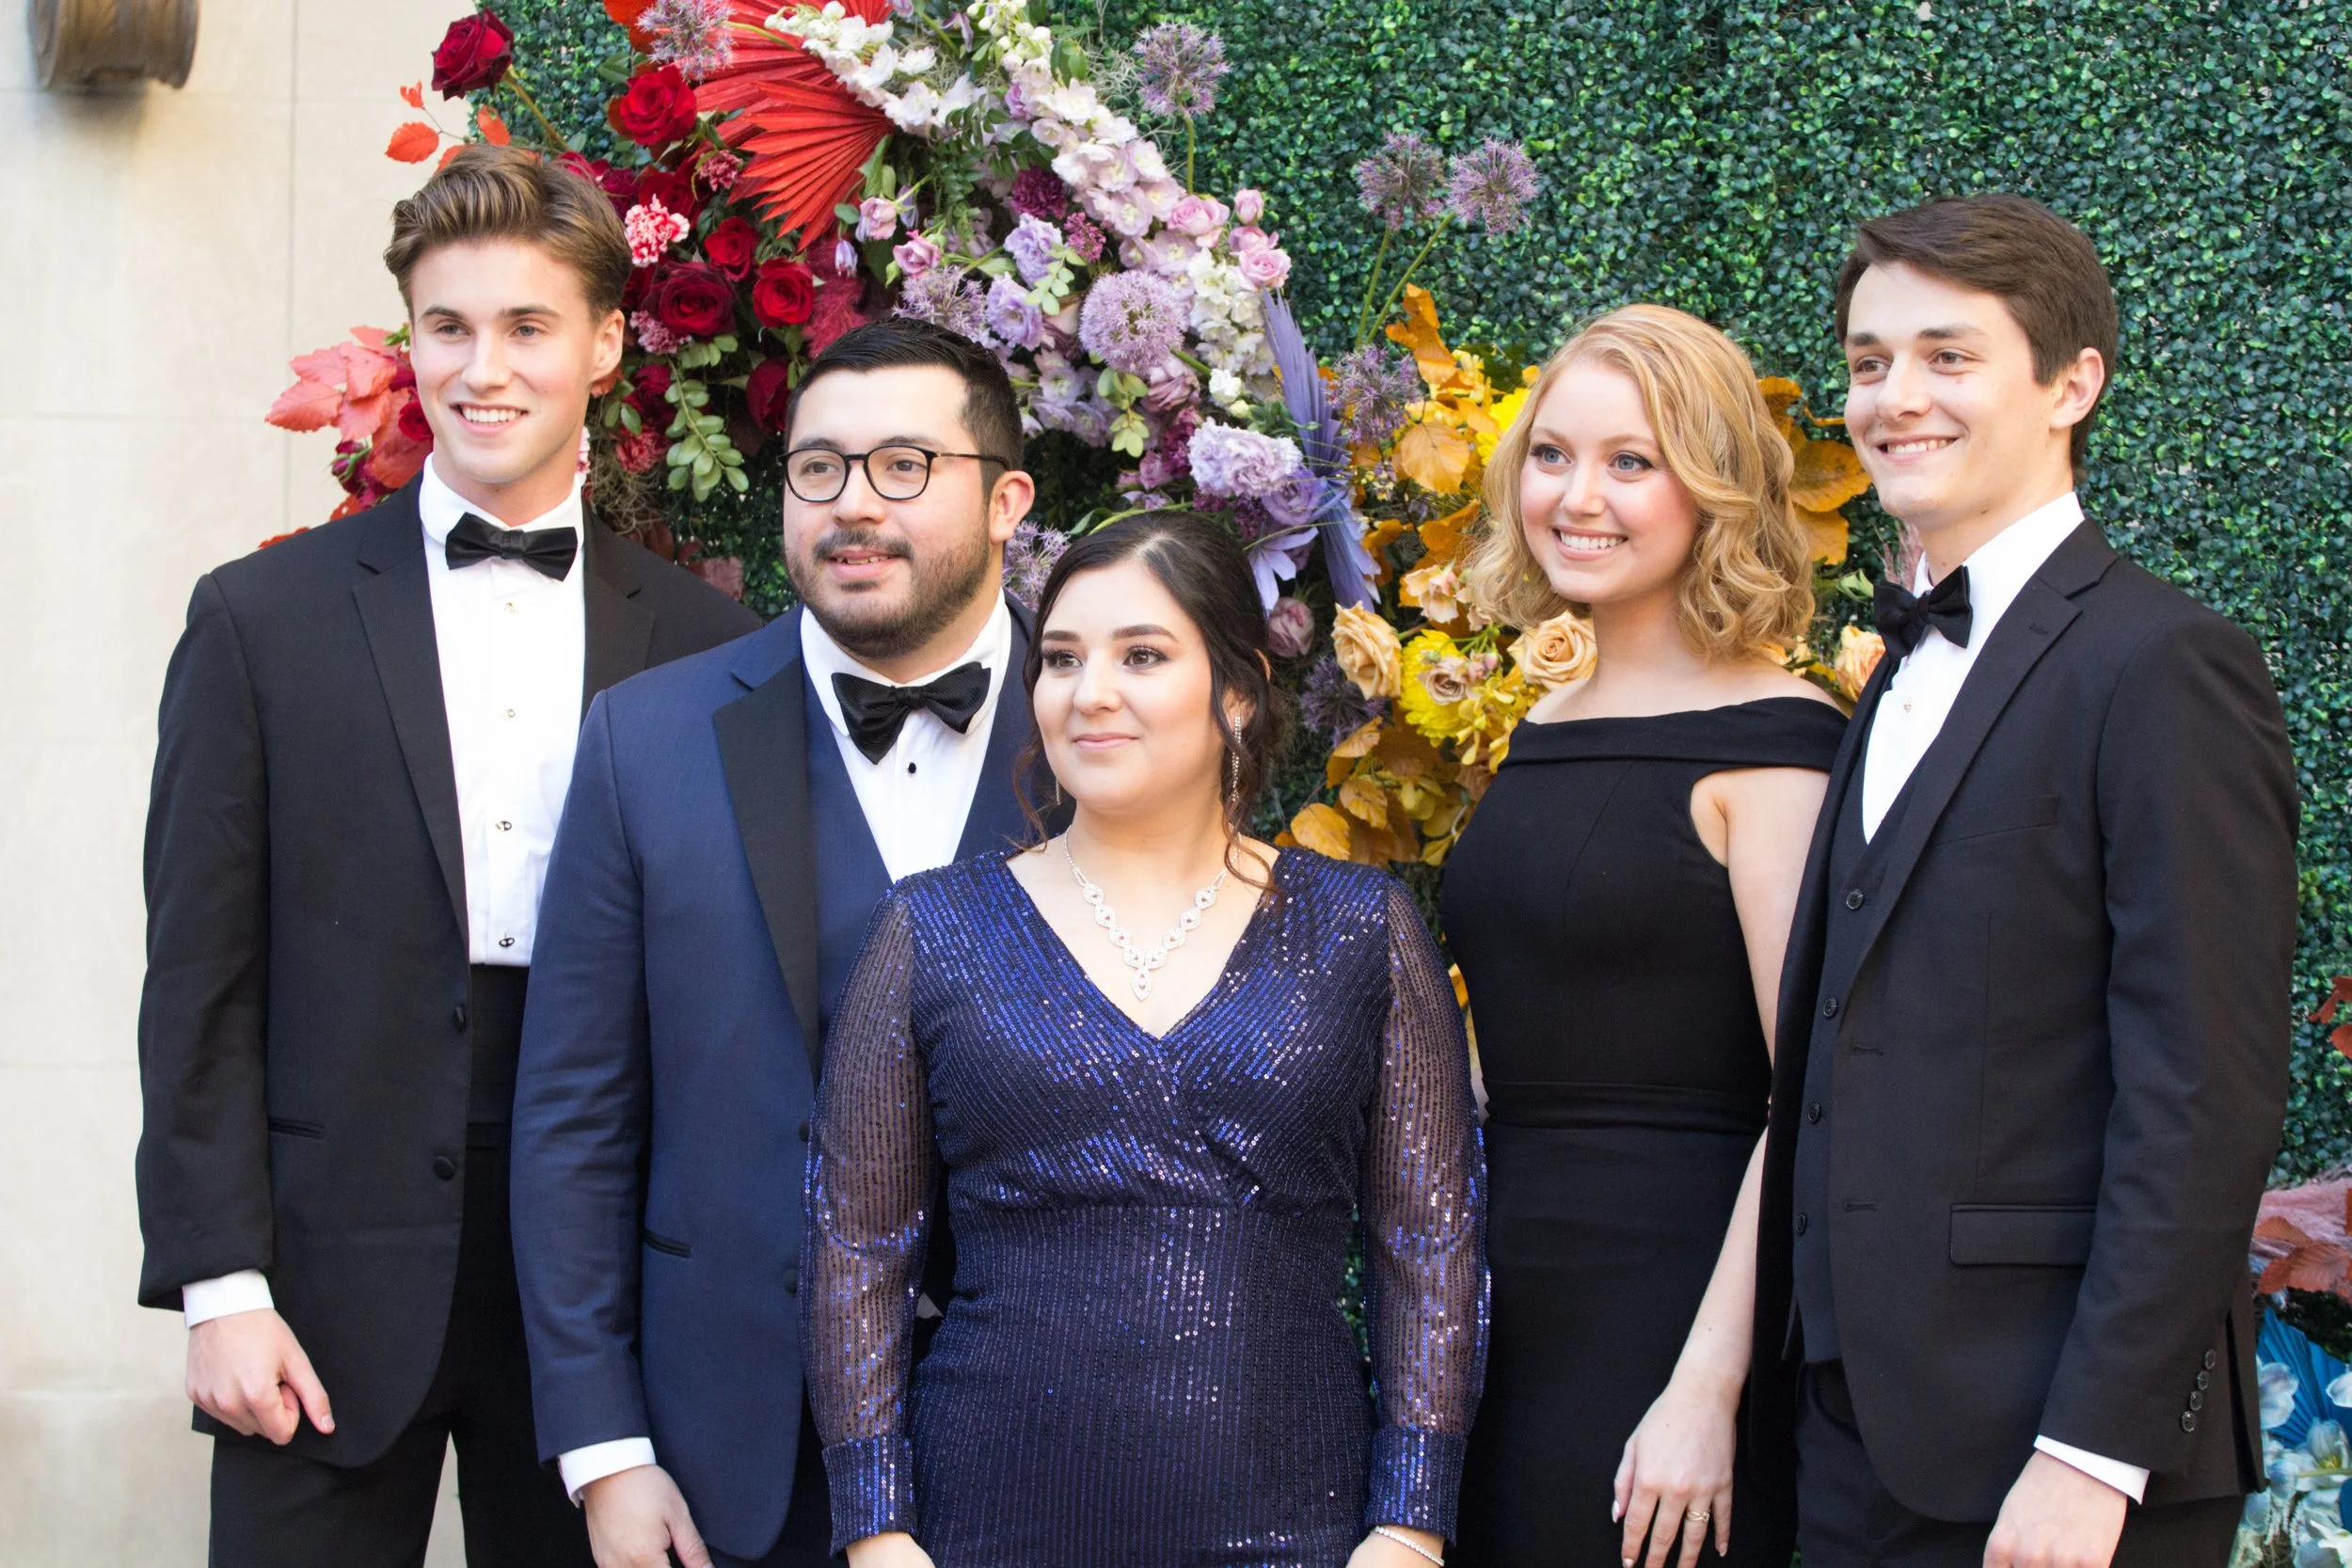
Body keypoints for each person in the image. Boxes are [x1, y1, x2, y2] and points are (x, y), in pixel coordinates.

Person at [133, 145, 758, 1567]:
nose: (483, 367)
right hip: (322, 1274)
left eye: (527, 326)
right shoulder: (258, 620)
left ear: (604, 346)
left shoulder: (718, 650)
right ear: (409, 337)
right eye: (447, 326)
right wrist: (218, 1279)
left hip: (604, 1297)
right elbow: (199, 981)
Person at [1748, 194, 2297, 1567]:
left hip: (2053, 1462)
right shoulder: (1897, 677)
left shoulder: (2165, 666)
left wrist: (2093, 1451)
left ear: (2071, 383)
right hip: (1846, 1443)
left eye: (1948, 356)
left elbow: (2204, 1089)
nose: (1892, 397)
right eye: (1870, 362)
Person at [801, 511, 1487, 1568]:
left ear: (1240, 691)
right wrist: (877, 1527)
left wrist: (1409, 1520)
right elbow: (857, 1242)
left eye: (1143, 655)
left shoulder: (1360, 926)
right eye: (1063, 658)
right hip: (982, 1520)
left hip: (1299, 1515)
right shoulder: (932, 926)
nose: (1091, 691)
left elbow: (1428, 1243)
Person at [509, 317, 1055, 1568]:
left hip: (1040, 1440)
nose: (853, 505)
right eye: (820, 468)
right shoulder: (642, 740)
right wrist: (605, 1449)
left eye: (904, 465)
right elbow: (574, 1113)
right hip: (725, 1460)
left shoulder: (1110, 734)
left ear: (1009, 496)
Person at [1441, 305, 1836, 1568]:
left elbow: (1815, 1101)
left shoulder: (1778, 742)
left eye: (1631, 460)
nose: (1578, 495)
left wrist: (1706, 1388)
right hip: (1509, 1311)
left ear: (1710, 485)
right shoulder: (1545, 716)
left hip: (1673, 1319)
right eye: (1552, 455)